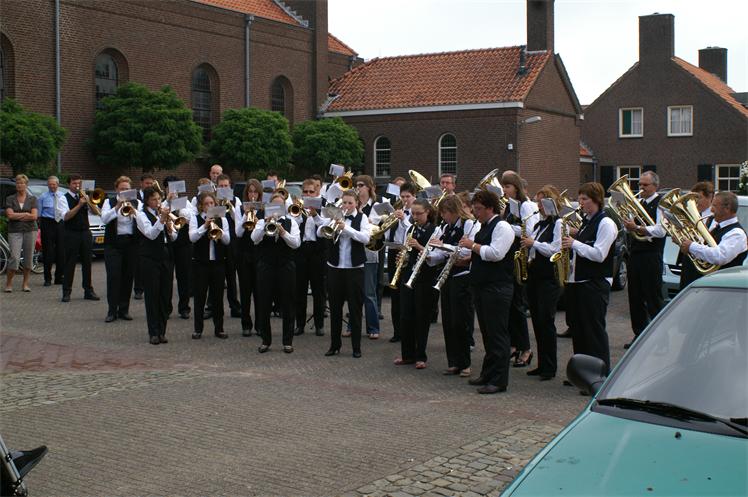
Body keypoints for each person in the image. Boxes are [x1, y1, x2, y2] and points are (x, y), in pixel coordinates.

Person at [458, 189, 515, 394]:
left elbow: (496, 254)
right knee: (487, 333)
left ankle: (499, 380)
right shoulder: (484, 226)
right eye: (475, 208)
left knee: (497, 334)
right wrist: (468, 259)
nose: (476, 212)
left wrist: (472, 245)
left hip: (497, 287)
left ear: (491, 208)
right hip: (483, 286)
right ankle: (488, 373)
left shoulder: (502, 227)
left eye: (479, 209)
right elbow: (483, 253)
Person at [561, 182, 617, 372]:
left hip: (595, 284)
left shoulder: (606, 223)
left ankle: (600, 374)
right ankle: (582, 373)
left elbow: (599, 254)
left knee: (594, 332)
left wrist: (574, 243)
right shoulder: (587, 220)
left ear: (596, 200)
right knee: (579, 331)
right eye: (580, 199)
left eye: (584, 199)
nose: (581, 203)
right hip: (580, 282)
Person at [429, 195, 478, 377]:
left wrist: (444, 246)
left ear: (453, 211)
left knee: (460, 321)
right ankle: (453, 362)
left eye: (444, 213)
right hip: (447, 276)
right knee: (448, 321)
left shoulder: (469, 225)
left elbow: (466, 251)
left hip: (462, 276)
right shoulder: (445, 227)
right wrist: (429, 256)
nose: (442, 217)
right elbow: (441, 254)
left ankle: (465, 363)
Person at [321, 189, 371, 358]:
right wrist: (331, 223)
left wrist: (346, 228)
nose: (347, 206)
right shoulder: (335, 216)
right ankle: (334, 345)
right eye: (344, 203)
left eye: (350, 203)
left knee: (355, 310)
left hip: (354, 269)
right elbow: (320, 231)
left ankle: (356, 347)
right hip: (335, 268)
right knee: (335, 309)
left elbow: (365, 238)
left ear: (356, 203)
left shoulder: (362, 218)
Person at [520, 185, 562, 380]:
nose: (539, 206)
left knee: (546, 322)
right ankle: (542, 364)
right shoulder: (539, 224)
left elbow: (555, 250)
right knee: (537, 322)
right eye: (538, 202)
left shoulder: (558, 224)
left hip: (548, 278)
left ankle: (550, 367)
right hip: (535, 276)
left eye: (542, 202)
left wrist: (533, 244)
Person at [621, 171, 666, 349]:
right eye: (640, 184)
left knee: (653, 298)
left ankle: (660, 339)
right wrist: (628, 225)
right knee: (635, 297)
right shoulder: (638, 203)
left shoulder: (661, 204)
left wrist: (638, 228)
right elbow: (628, 229)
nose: (641, 188)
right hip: (636, 254)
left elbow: (661, 230)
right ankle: (639, 335)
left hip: (651, 255)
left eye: (645, 185)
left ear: (655, 186)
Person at [392, 199, 438, 369]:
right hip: (408, 275)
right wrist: (402, 257)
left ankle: (421, 356)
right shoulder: (410, 228)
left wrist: (418, 246)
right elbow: (406, 251)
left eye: (419, 213)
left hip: (425, 277)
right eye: (413, 213)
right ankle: (407, 354)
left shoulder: (435, 230)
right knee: (406, 316)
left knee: (422, 317)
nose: (415, 217)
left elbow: (435, 255)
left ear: (428, 212)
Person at [251, 193, 300, 353]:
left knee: (288, 303)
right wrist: (265, 224)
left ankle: (287, 341)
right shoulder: (261, 221)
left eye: (280, 205)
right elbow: (254, 239)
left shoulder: (291, 222)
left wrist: (283, 232)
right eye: (274, 206)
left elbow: (296, 244)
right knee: (264, 303)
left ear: (284, 207)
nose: (277, 209)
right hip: (266, 266)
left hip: (286, 266)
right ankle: (266, 340)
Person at [501, 170, 537, 368]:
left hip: (519, 258)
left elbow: (529, 231)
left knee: (517, 305)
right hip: (509, 256)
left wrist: (505, 227)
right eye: (503, 186)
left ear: (516, 187)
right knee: (510, 306)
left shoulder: (526, 205)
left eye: (507, 186)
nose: (504, 190)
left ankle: (526, 348)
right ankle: (515, 344)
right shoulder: (509, 205)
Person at [136, 187, 177, 345]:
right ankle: (153, 332)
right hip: (150, 258)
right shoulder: (141, 215)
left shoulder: (162, 214)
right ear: (147, 201)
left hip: (166, 256)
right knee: (152, 295)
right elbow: (151, 234)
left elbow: (173, 237)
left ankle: (162, 331)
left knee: (165, 295)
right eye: (154, 199)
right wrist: (161, 220)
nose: (158, 202)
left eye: (159, 199)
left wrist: (170, 228)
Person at [189, 192, 231, 339]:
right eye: (206, 204)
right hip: (201, 264)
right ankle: (198, 329)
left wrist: (218, 230)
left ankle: (219, 328)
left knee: (218, 297)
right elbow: (192, 237)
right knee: (200, 297)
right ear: (201, 206)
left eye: (212, 203)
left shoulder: (222, 219)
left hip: (218, 263)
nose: (209, 206)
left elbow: (227, 240)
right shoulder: (195, 219)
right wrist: (205, 225)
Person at [679, 192, 747, 280]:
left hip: (721, 284)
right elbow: (704, 248)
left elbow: (719, 256)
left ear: (727, 208)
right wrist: (682, 241)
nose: (711, 209)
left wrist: (691, 246)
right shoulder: (717, 227)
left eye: (714, 206)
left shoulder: (737, 233)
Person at [100, 176, 139, 322]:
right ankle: (112, 311)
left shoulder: (137, 202)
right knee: (114, 277)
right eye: (122, 189)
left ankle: (124, 309)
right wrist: (117, 207)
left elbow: (141, 221)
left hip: (131, 243)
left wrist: (135, 212)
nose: (124, 191)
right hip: (113, 244)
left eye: (127, 189)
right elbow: (104, 219)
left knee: (128, 277)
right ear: (116, 189)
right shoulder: (108, 202)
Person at [294, 178, 327, 337]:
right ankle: (299, 324)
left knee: (318, 290)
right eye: (305, 192)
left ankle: (319, 324)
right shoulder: (298, 207)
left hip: (317, 251)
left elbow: (326, 227)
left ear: (317, 192)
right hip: (301, 250)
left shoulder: (324, 207)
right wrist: (299, 214)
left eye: (311, 192)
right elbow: (293, 225)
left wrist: (314, 215)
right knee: (299, 290)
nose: (308, 194)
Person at [58, 175, 99, 302]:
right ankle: (66, 292)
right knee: (70, 263)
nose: (77, 186)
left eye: (79, 183)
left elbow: (97, 212)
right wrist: (79, 205)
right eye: (74, 183)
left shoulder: (85, 196)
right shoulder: (63, 198)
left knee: (87, 262)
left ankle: (88, 291)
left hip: (85, 232)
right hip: (71, 233)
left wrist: (89, 201)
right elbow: (66, 217)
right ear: (69, 184)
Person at [386, 182, 416, 343]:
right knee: (395, 294)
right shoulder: (397, 211)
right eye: (402, 196)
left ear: (414, 196)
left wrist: (403, 219)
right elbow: (388, 233)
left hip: (408, 254)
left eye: (408, 196)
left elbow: (412, 230)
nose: (405, 200)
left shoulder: (416, 213)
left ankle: (408, 331)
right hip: (394, 252)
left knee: (407, 295)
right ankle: (397, 331)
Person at [353, 175, 381, 339]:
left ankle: (373, 328)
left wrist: (363, 217)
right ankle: (352, 326)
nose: (358, 188)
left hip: (369, 254)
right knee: (353, 293)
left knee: (369, 294)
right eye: (357, 185)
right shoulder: (353, 205)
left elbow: (375, 227)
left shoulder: (376, 206)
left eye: (361, 185)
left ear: (369, 188)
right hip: (354, 254)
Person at [162, 176, 193, 320]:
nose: (173, 191)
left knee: (184, 276)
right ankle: (166, 308)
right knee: (166, 277)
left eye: (175, 188)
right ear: (165, 189)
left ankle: (184, 308)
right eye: (170, 188)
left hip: (184, 244)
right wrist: (168, 201)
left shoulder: (186, 202)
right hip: (167, 244)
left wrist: (178, 206)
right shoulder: (162, 203)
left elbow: (191, 218)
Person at [236, 179, 263, 336]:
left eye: (255, 192)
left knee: (260, 292)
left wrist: (258, 223)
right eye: (250, 192)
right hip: (244, 254)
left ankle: (260, 325)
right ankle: (246, 324)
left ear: (259, 194)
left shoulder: (264, 209)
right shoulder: (240, 209)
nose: (252, 195)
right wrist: (245, 216)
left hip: (259, 254)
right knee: (245, 291)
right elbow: (238, 233)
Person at [4, 175, 38, 293]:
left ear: (26, 185)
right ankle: (9, 283)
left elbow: (34, 216)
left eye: (22, 183)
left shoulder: (32, 199)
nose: (20, 185)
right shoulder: (10, 199)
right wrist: (26, 215)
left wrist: (18, 215)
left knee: (28, 258)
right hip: (15, 231)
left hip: (30, 230)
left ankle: (25, 284)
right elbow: (10, 215)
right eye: (18, 183)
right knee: (14, 257)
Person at [678, 181, 715, 290]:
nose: (695, 202)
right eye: (694, 198)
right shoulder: (692, 215)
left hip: (705, 266)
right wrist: (680, 239)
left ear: (710, 197)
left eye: (699, 198)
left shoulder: (715, 218)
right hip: (689, 263)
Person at [215, 174, 242, 318]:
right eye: (221, 186)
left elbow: (238, 220)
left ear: (230, 186)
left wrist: (230, 207)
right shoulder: (212, 199)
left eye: (226, 186)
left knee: (231, 274)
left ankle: (234, 306)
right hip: (215, 238)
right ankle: (212, 306)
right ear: (217, 186)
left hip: (231, 240)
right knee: (214, 275)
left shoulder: (236, 200)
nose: (224, 188)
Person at [37, 175, 65, 286]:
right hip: (47, 224)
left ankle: (59, 278)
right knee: (48, 252)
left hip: (60, 224)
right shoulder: (42, 197)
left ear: (57, 185)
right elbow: (39, 215)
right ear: (47, 185)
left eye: (54, 184)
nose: (52, 186)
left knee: (61, 251)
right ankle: (47, 278)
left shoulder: (63, 196)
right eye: (50, 184)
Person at [133, 173, 155, 300]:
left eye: (151, 183)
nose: (149, 185)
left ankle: (149, 286)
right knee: (138, 263)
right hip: (138, 232)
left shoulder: (154, 195)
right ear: (141, 184)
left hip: (151, 230)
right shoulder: (135, 197)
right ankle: (138, 289)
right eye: (147, 183)